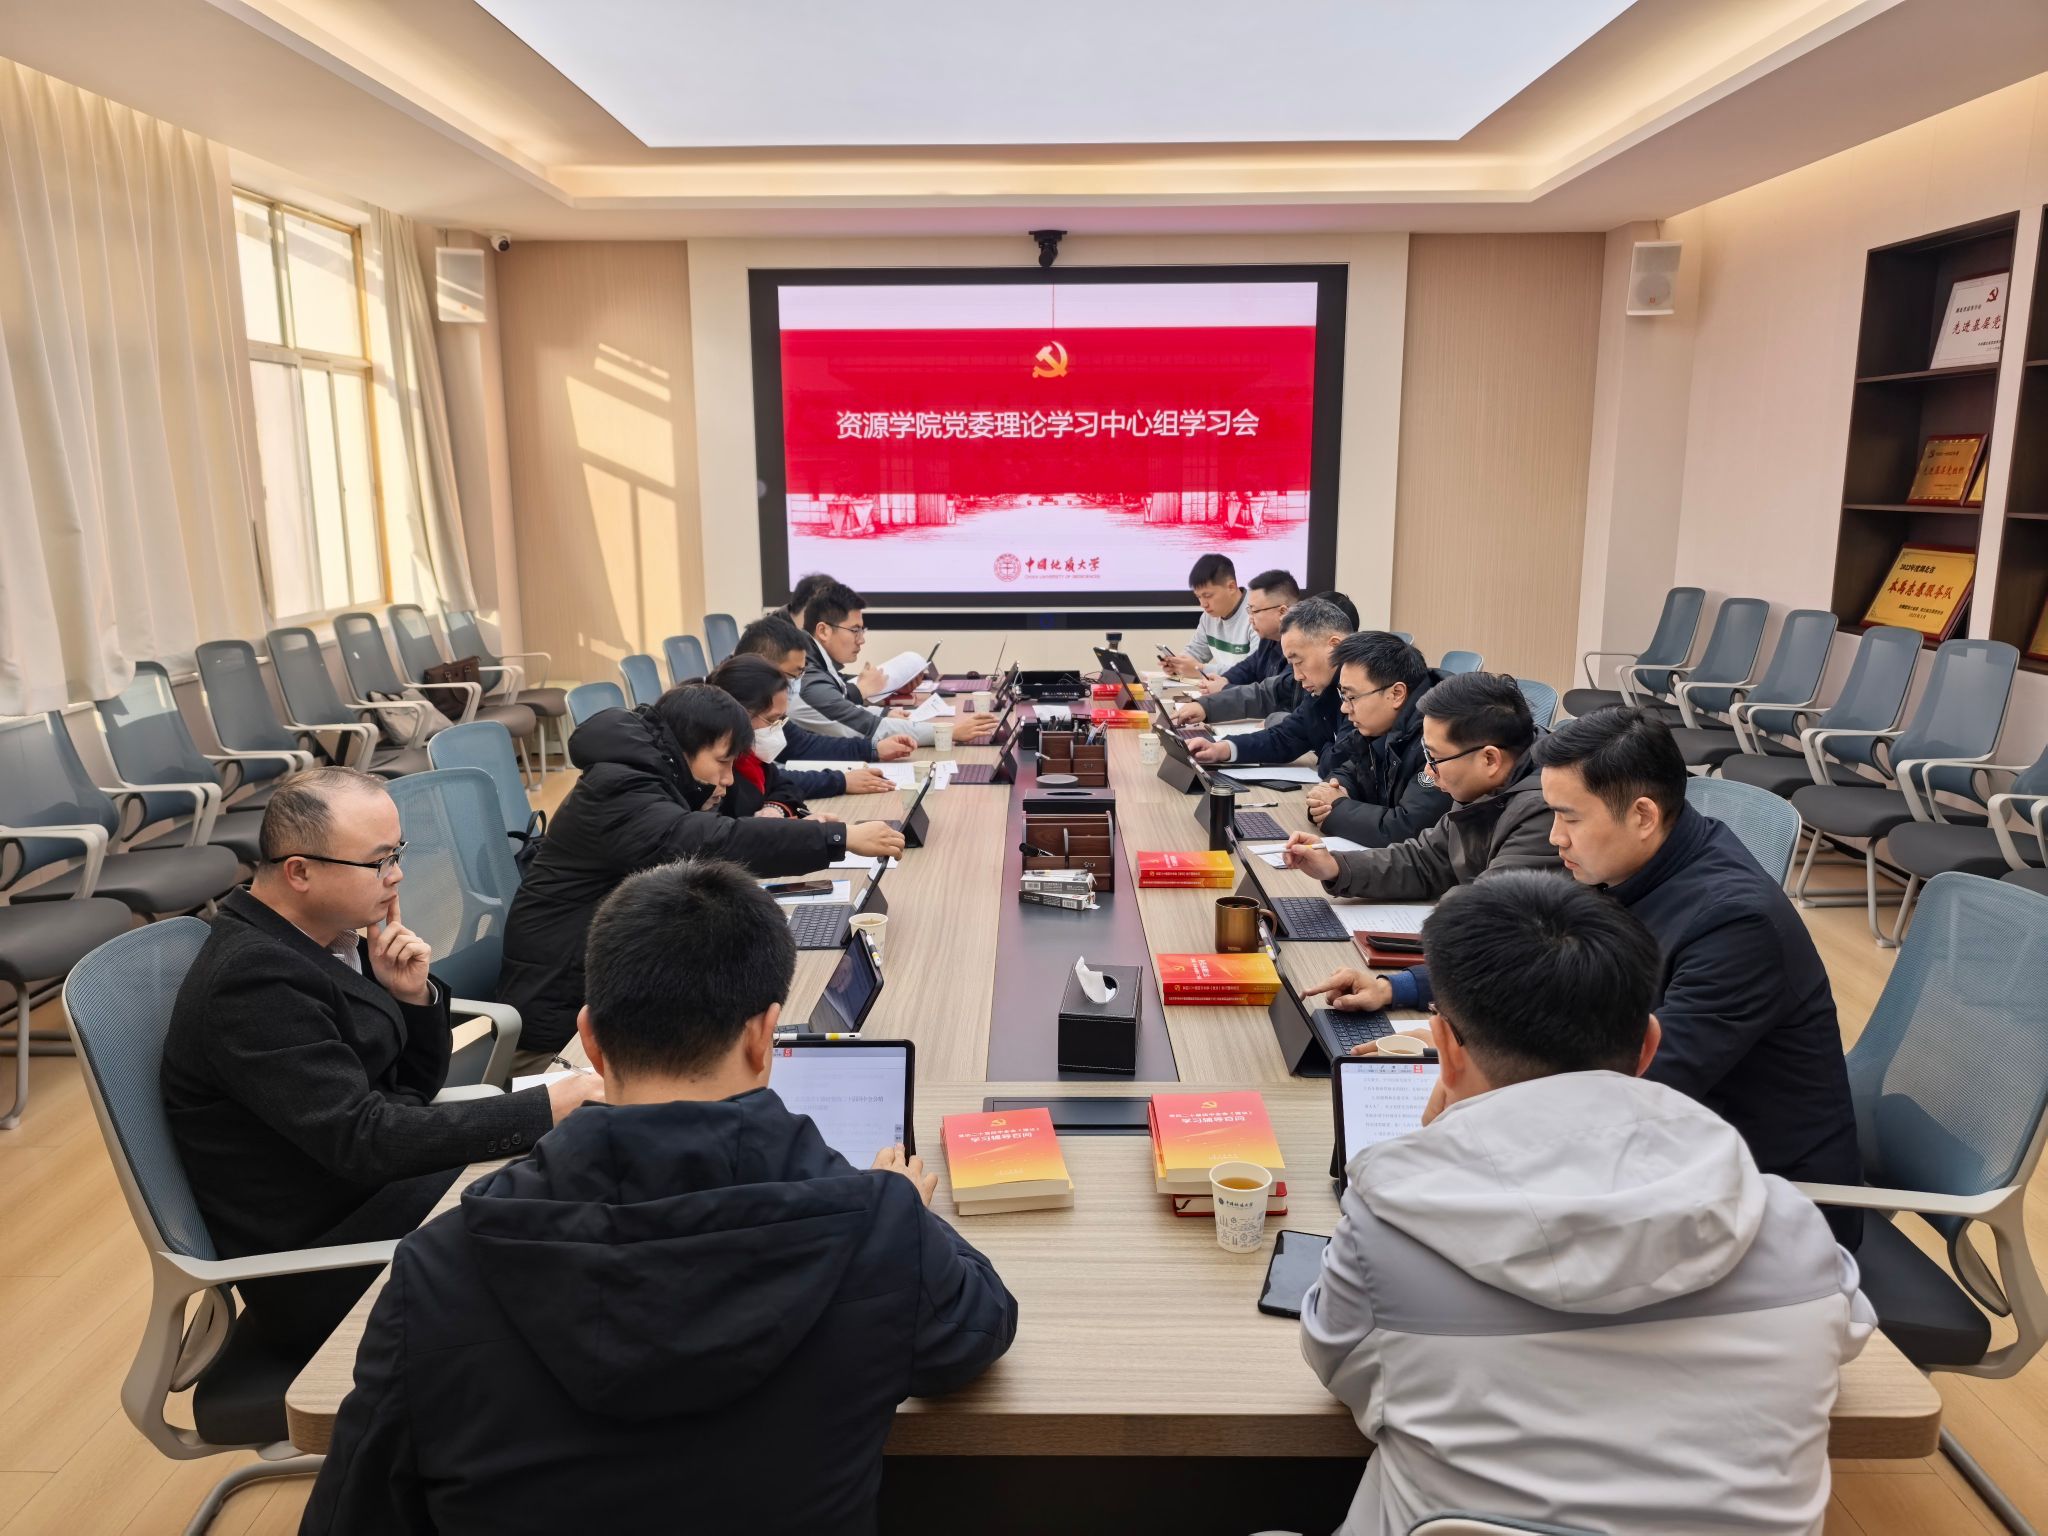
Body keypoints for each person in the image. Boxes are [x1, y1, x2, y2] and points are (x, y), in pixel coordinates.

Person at [302, 860, 1019, 1533]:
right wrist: (899, 1203)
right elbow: (973, 1335)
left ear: (590, 1040)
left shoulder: (437, 1269)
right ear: (765, 1037)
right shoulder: (878, 1229)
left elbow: (356, 1513)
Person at [1301, 873, 1872, 1536]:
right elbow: (1844, 1337)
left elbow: (1337, 1366)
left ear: (1445, 1049)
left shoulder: (1388, 1234)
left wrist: (1437, 1150)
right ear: (1649, 1046)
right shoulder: (1789, 1226)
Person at [160, 768, 604, 1357]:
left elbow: (412, 1091)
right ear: (300, 872)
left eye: (397, 853)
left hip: (378, 1195)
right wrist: (544, 1107)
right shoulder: (252, 982)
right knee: (584, 1200)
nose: (396, 875)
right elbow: (364, 1140)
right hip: (329, 1260)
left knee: (585, 1177)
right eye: (378, 862)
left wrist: (411, 997)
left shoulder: (328, 938)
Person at [1533, 706, 1864, 1243]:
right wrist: (1412, 989)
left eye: (1569, 818)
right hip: (1678, 1158)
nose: (1555, 837)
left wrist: (1493, 1094)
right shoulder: (1636, 867)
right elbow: (1538, 954)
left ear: (1643, 816)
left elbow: (1646, 1086)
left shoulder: (1735, 922)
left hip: (1767, 1209)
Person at [499, 685, 904, 1064]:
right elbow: (710, 841)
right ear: (685, 746)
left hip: (609, 993)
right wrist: (837, 838)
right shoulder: (618, 789)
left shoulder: (643, 775)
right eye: (723, 762)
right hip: (561, 1035)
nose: (727, 778)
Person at [1287, 671, 1558, 1012]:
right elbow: (1428, 858)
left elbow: (1487, 919)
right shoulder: (1484, 785)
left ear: (1489, 759)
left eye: (1434, 758)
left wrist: (1396, 987)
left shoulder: (1547, 812)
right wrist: (1337, 867)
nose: (1428, 773)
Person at [793, 581, 997, 746]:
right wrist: (949, 732)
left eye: (862, 630)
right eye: (855, 630)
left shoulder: (815, 664)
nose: (861, 640)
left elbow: (846, 710)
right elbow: (865, 727)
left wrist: (886, 713)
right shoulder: (807, 678)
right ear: (823, 631)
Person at [1307, 631, 1452, 847]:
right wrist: (1327, 794)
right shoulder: (1381, 726)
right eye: (1343, 696)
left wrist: (1336, 807)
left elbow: (1409, 828)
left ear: (1396, 694)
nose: (1344, 708)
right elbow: (1347, 771)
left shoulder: (1439, 739)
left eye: (1351, 696)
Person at [705, 653, 897, 810]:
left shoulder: (753, 759)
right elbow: (731, 832)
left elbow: (782, 784)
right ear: (739, 712)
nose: (778, 728)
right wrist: (840, 782)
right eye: (772, 720)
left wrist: (776, 809)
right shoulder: (720, 774)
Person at [1188, 597, 1353, 772]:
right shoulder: (1323, 690)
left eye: (1299, 661)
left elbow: (1336, 763)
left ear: (1334, 646)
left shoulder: (1364, 693)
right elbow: (1286, 737)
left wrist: (1319, 742)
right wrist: (1222, 749)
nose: (1297, 676)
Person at [735, 614, 918, 764]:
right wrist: (842, 781)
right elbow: (773, 780)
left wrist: (872, 749)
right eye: (793, 675)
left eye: (802, 673)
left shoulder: (764, 708)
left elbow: (803, 745)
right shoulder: (728, 718)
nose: (797, 683)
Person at [1174, 588, 1359, 727]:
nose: (1298, 675)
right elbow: (1264, 691)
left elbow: (1308, 726)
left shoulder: (1354, 692)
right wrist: (1208, 704)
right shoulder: (1273, 645)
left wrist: (1276, 720)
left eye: (1255, 611)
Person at [1184, 569, 1298, 698]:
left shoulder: (1299, 647)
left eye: (1255, 611)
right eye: (1249, 610)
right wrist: (1225, 680)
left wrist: (1224, 688)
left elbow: (1273, 695)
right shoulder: (1269, 638)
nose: (1250, 619)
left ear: (1282, 612)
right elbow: (1249, 667)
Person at [1160, 553, 1253, 678]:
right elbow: (1196, 651)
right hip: (1226, 687)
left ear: (1231, 587)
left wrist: (1201, 669)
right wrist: (1178, 665)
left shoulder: (1257, 614)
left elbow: (1254, 671)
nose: (1203, 604)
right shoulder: (1209, 616)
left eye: (1208, 596)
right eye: (1199, 597)